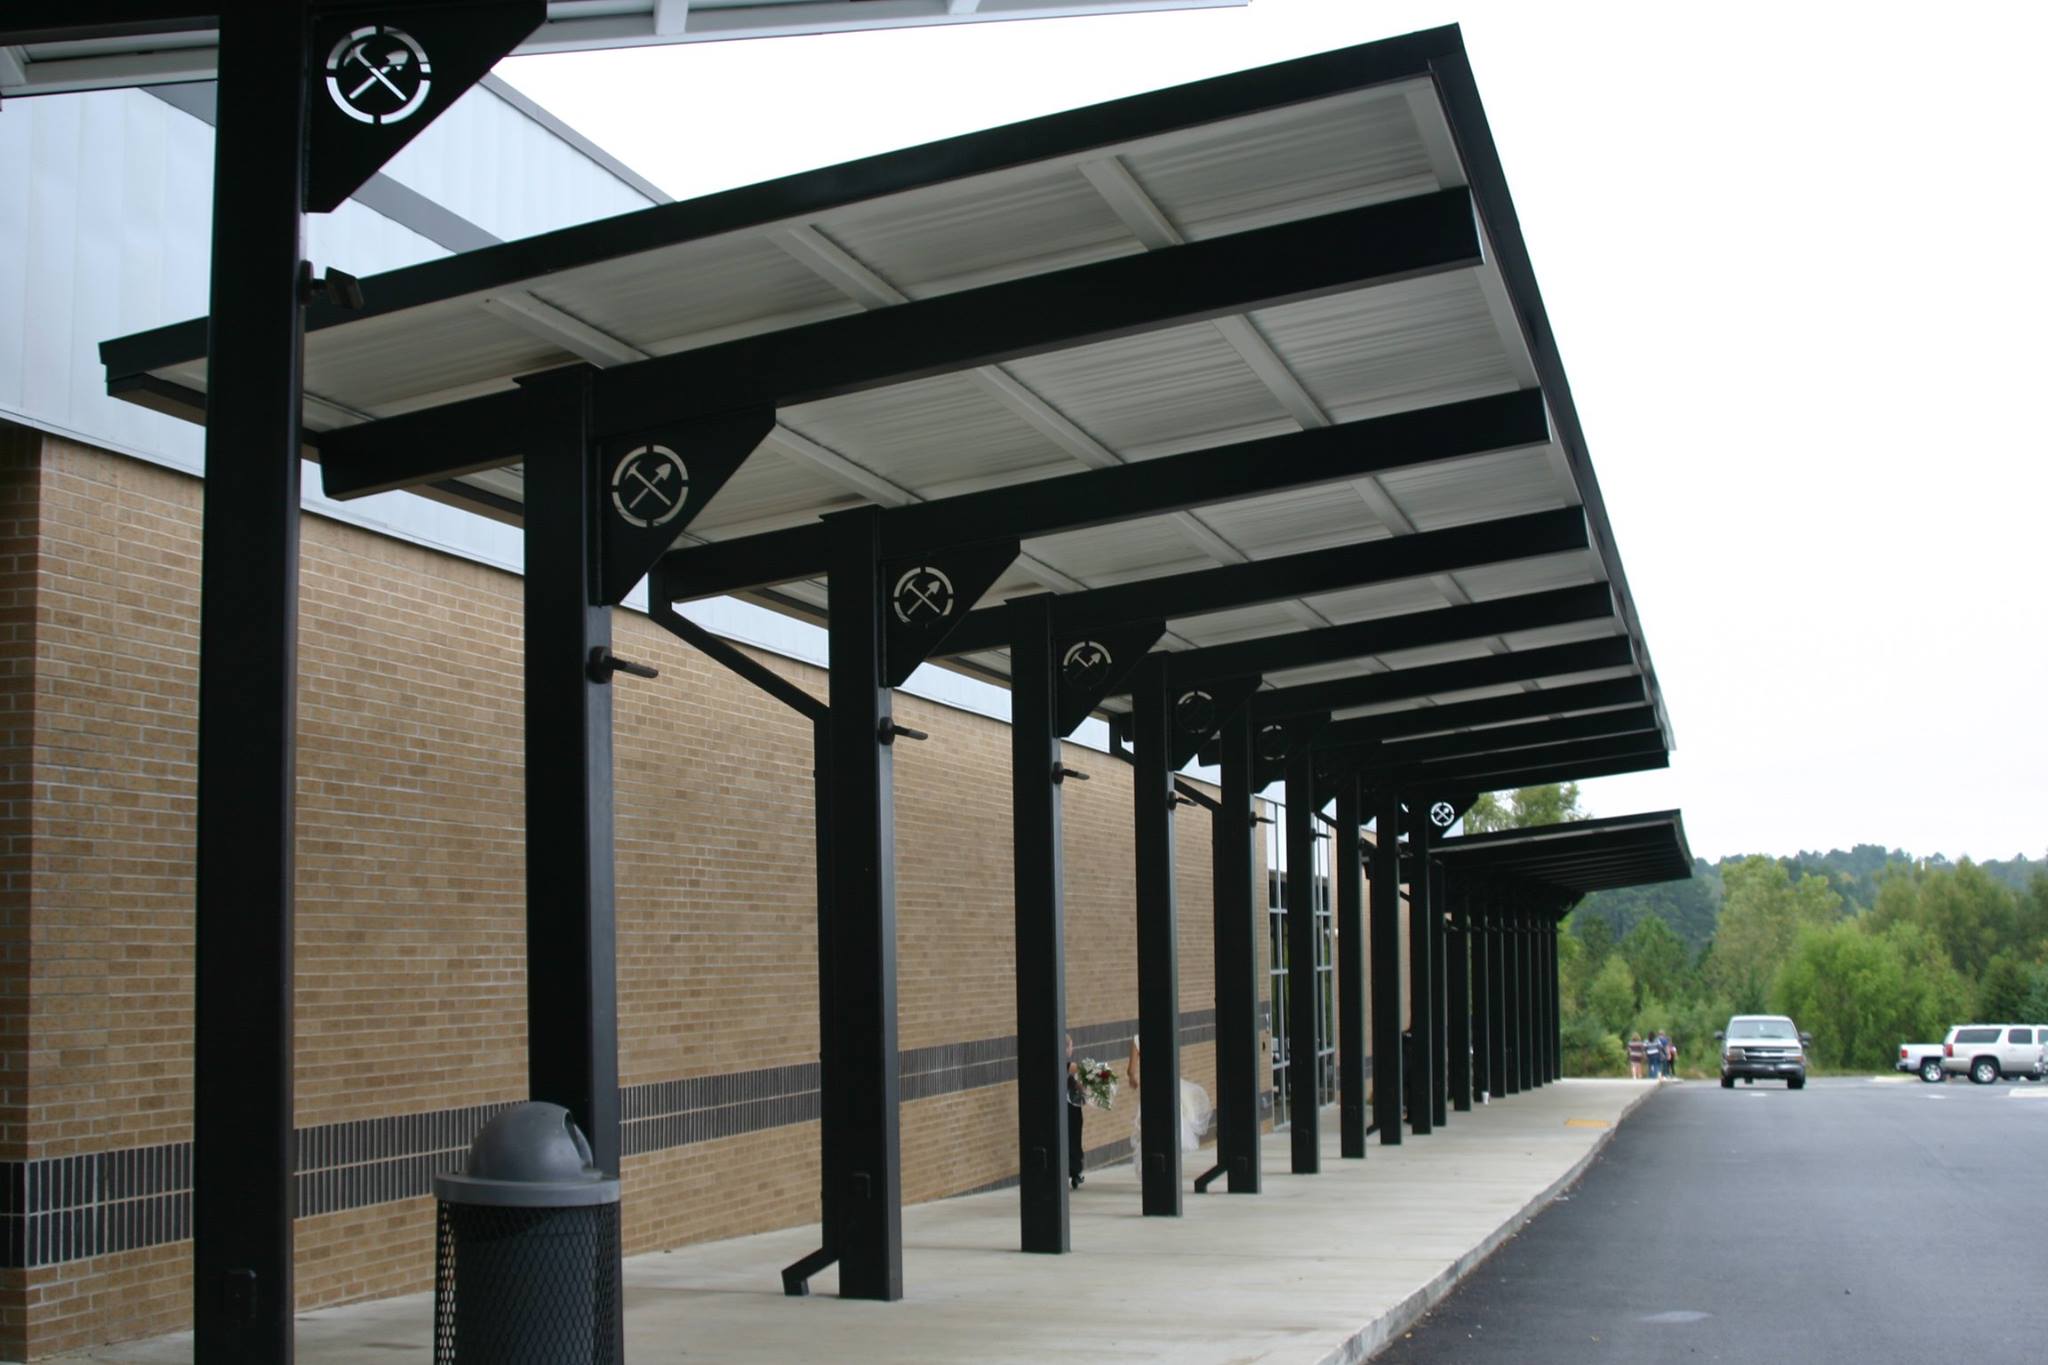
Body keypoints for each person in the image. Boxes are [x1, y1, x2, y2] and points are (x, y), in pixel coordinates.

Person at [1126, 1035, 1213, 1154]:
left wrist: (1132, 1079)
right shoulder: (1167, 1035)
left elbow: (1131, 1070)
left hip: (1150, 1087)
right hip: (1169, 1084)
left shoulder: (1138, 1039)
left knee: (1149, 1125)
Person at [1065, 1033, 1086, 1189]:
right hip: (1069, 1109)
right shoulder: (1067, 1065)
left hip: (1069, 1108)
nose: (1072, 1048)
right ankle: (1074, 1170)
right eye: (1071, 1045)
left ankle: (1073, 1169)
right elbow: (1084, 1071)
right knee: (1073, 1138)